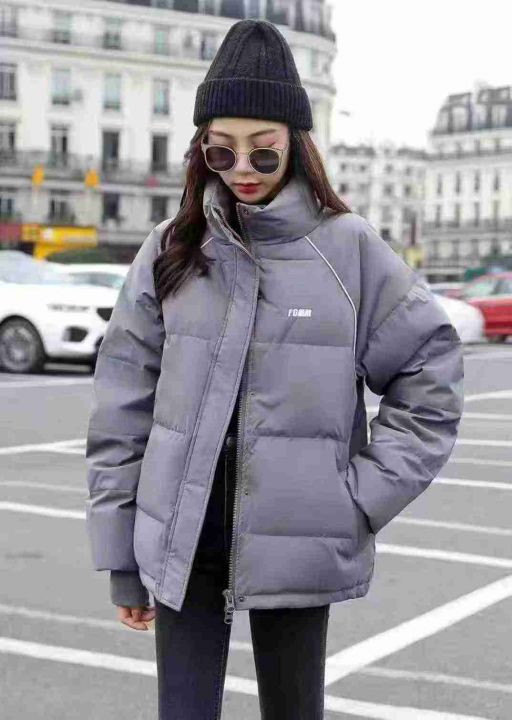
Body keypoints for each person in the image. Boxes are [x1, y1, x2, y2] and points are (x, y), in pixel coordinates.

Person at [85, 18, 464, 720]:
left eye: (264, 151)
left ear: (296, 144)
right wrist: (121, 557)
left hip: (302, 540)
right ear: (201, 149)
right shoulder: (170, 250)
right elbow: (121, 407)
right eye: (221, 150)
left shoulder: (347, 249)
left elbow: (429, 374)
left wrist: (358, 499)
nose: (244, 170)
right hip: (181, 540)